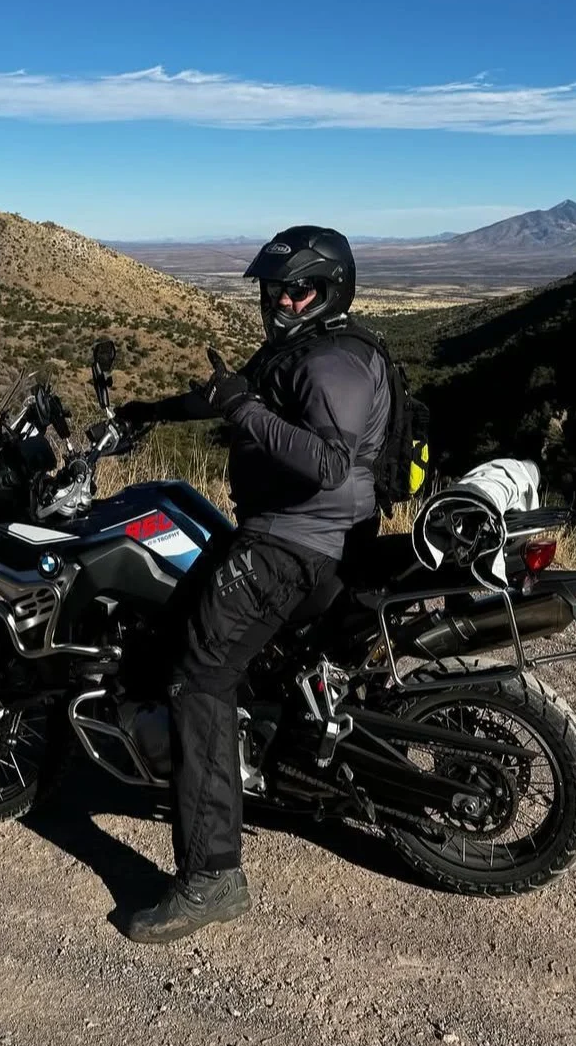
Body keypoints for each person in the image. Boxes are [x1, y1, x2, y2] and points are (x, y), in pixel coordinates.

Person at [115, 226, 391, 943]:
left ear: (329, 289)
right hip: (293, 535)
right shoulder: (305, 350)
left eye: (295, 288)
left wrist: (243, 410)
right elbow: (233, 394)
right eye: (272, 289)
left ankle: (212, 875)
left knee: (199, 677)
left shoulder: (333, 363)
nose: (279, 300)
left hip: (295, 544)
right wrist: (153, 411)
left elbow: (327, 463)